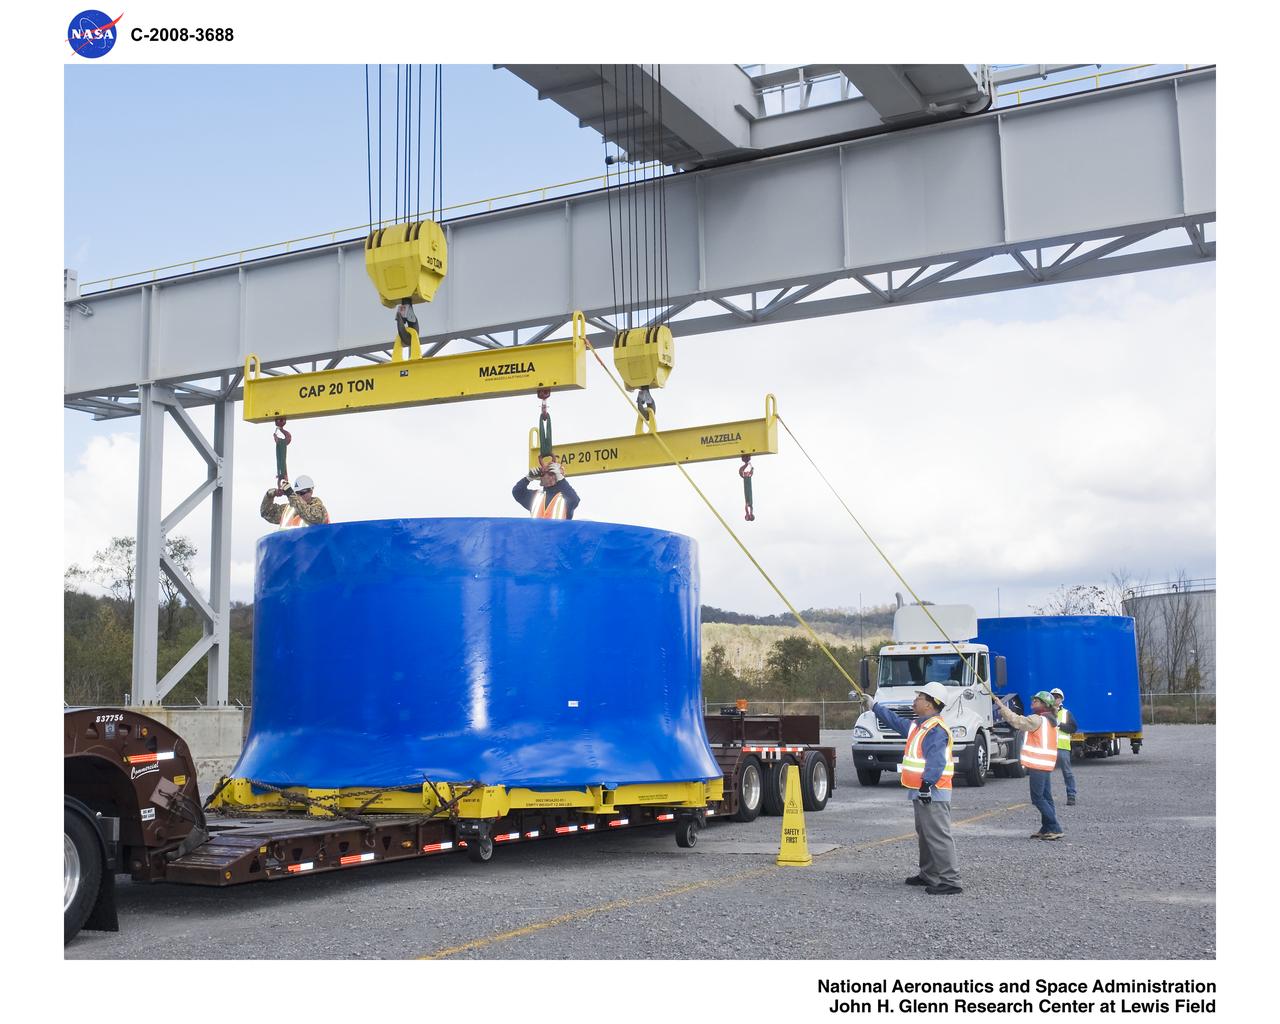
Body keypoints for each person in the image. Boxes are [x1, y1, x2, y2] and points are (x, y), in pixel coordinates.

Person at [868, 681, 962, 895]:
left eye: (919, 698)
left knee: (937, 836)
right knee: (926, 834)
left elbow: (936, 761)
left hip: (933, 790)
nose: (914, 701)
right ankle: (928, 874)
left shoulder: (935, 729)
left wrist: (927, 785)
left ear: (930, 704)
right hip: (923, 789)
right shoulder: (919, 726)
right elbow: (895, 721)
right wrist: (874, 706)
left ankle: (951, 880)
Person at [997, 690, 1064, 840]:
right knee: (1046, 797)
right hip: (1046, 763)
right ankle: (1047, 828)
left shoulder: (1038, 719)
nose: (1032, 702)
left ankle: (1055, 827)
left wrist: (1002, 708)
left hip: (1038, 764)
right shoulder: (1051, 720)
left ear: (1044, 705)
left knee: (1037, 798)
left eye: (1036, 701)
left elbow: (1017, 721)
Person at [512, 456, 580, 520]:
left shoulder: (565, 498)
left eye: (543, 473)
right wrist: (528, 478)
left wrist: (561, 479)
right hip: (537, 529)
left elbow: (575, 500)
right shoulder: (535, 497)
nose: (540, 476)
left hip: (558, 529)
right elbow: (517, 492)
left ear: (553, 476)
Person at [260, 474, 330, 529]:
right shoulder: (288, 509)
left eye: (302, 492)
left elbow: (313, 517)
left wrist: (290, 494)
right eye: (297, 493)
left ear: (311, 491)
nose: (300, 495)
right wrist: (270, 495)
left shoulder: (319, 509)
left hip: (313, 542)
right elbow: (266, 513)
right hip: (289, 542)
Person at [1050, 687, 1078, 806]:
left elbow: (1073, 728)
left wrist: (1060, 725)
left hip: (1062, 747)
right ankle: (1043, 796)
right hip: (1048, 747)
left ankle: (1071, 795)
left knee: (1067, 772)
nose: (1055, 698)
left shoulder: (1066, 713)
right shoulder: (1046, 713)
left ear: (1061, 699)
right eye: (1053, 696)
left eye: (1057, 697)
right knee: (1044, 773)